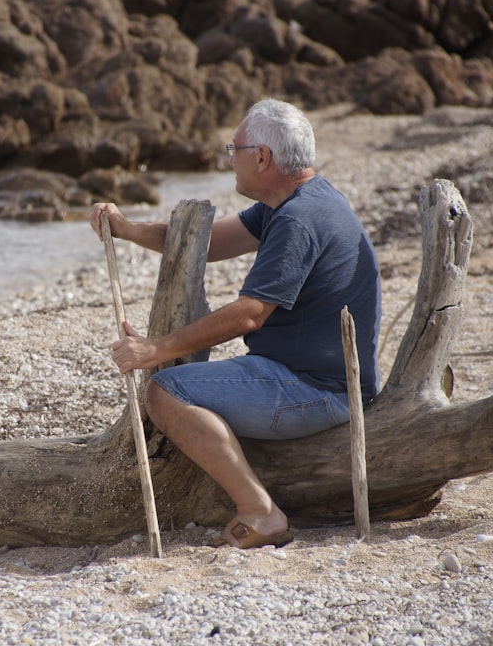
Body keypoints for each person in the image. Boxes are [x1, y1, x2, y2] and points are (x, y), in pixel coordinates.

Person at [89, 98, 381, 549]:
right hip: (313, 375)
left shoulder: (298, 220)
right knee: (177, 382)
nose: (229, 159)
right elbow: (201, 243)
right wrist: (126, 228)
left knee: (164, 391)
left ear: (262, 157)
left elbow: (249, 314)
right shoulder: (291, 202)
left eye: (234, 148)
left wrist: (155, 349)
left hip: (320, 389)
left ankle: (261, 512)